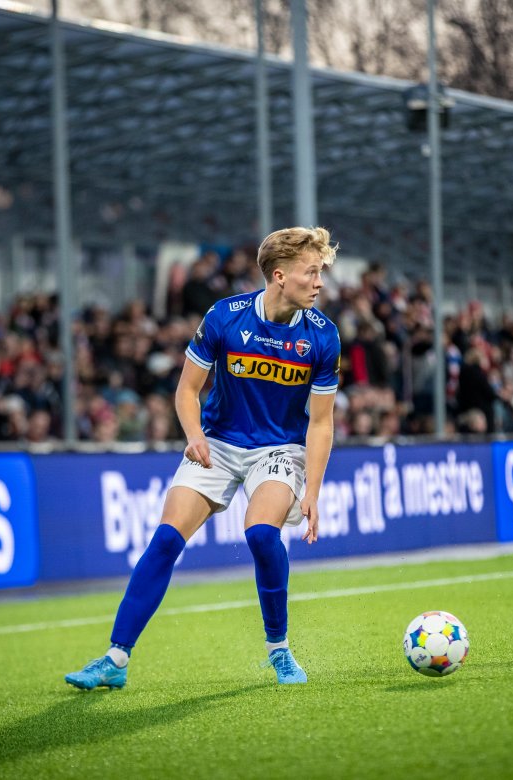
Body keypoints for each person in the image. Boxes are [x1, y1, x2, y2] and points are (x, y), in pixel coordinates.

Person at [65, 226, 340, 689]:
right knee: (165, 540)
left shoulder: (323, 336)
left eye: (319, 273)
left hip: (278, 448)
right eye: (311, 272)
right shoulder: (225, 317)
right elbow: (187, 391)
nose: (319, 283)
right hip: (218, 443)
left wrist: (312, 490)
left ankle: (279, 649)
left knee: (261, 534)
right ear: (279, 276)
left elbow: (321, 423)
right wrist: (194, 436)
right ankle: (115, 659)